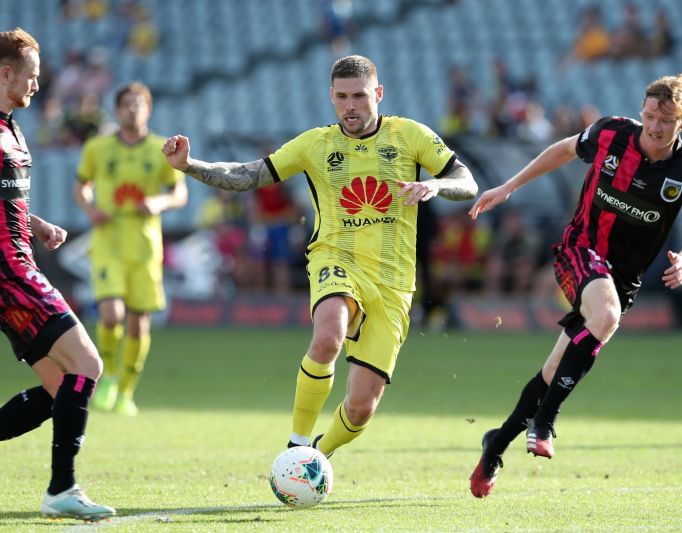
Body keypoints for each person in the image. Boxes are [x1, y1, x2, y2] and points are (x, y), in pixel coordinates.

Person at [162, 54, 477, 457]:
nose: (351, 106)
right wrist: (190, 165)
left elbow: (465, 181)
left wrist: (436, 187)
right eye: (342, 96)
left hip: (393, 281)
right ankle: (295, 443)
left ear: (378, 94)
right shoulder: (315, 144)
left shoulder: (409, 135)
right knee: (328, 336)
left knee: (362, 407)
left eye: (360, 96)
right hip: (336, 258)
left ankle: (315, 456)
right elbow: (248, 174)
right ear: (331, 97)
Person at [468, 73, 682, 498]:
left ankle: (497, 442)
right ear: (641, 111)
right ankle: (545, 421)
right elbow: (564, 149)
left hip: (623, 276)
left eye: (666, 120)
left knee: (555, 369)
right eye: (650, 116)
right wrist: (509, 186)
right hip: (580, 247)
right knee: (606, 316)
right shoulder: (611, 134)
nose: (654, 127)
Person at [0, 27, 115, 521]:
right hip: (10, 271)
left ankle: (61, 490)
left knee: (59, 388)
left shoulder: (12, 128)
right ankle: (61, 489)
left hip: (15, 261)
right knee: (87, 366)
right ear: (5, 73)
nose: (37, 86)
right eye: (31, 77)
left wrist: (37, 222)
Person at [74, 81, 187, 416]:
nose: (133, 109)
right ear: (117, 109)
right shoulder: (98, 148)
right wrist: (91, 209)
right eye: (127, 104)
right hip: (108, 241)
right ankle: (107, 375)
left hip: (144, 246)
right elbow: (80, 187)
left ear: (149, 109)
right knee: (111, 314)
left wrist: (160, 202)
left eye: (139, 103)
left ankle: (126, 391)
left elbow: (179, 193)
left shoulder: (160, 148)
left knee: (139, 324)